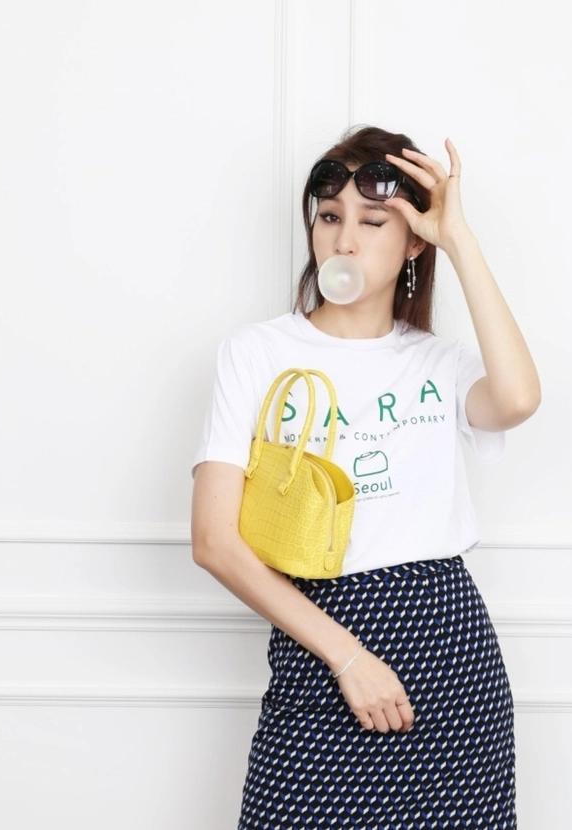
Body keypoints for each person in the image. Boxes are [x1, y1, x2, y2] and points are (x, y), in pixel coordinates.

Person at [191, 125, 540, 829]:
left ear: (412, 242)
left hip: (450, 657)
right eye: (329, 217)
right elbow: (214, 543)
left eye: (373, 221)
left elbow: (518, 399)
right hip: (322, 646)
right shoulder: (257, 353)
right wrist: (349, 659)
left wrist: (458, 239)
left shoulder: (438, 362)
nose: (343, 241)